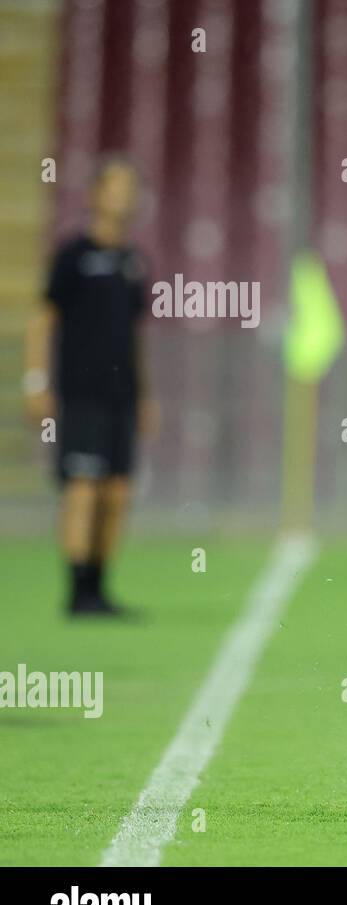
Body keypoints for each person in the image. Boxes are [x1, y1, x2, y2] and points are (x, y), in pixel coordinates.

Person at [24, 157, 156, 615]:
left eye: (130, 189)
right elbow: (43, 320)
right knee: (84, 487)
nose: (123, 198)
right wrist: (36, 381)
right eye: (115, 188)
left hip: (122, 395)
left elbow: (134, 334)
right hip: (80, 393)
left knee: (116, 492)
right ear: (96, 195)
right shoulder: (72, 256)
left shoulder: (134, 262)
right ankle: (76, 590)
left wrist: (145, 394)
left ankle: (100, 588)